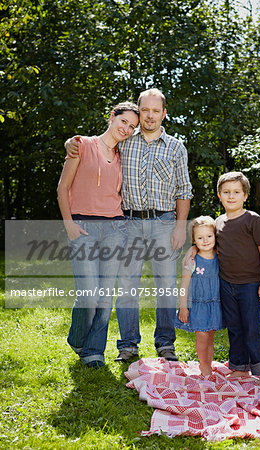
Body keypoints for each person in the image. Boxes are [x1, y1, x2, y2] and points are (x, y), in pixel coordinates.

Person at [65, 88, 193, 363]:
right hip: (128, 223)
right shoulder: (125, 141)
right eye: (144, 110)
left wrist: (181, 227)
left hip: (164, 222)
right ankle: (128, 344)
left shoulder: (175, 147)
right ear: (139, 111)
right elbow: (96, 146)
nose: (149, 116)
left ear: (163, 113)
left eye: (155, 111)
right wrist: (70, 143)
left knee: (166, 286)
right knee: (127, 288)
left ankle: (165, 343)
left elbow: (184, 189)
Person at [57, 102, 139, 368]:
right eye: (124, 121)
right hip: (83, 228)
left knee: (105, 297)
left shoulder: (123, 156)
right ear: (111, 117)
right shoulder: (82, 144)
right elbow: (63, 187)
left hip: (115, 228)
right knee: (89, 294)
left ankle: (94, 351)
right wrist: (69, 224)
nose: (126, 129)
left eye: (132, 127)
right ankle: (78, 338)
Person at [216, 171, 260, 385]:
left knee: (252, 327)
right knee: (235, 327)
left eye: (236, 192)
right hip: (226, 284)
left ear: (245, 196)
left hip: (250, 285)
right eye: (226, 192)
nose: (231, 196)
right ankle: (240, 367)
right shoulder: (218, 222)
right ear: (219, 196)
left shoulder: (253, 220)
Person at [174, 216, 223, 376]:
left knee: (210, 336)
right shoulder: (192, 259)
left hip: (214, 303)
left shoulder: (219, 256)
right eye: (200, 237)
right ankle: (203, 365)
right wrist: (183, 306)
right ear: (194, 240)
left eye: (209, 236)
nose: (206, 240)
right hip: (198, 304)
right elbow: (184, 285)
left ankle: (208, 364)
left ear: (215, 236)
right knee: (202, 336)